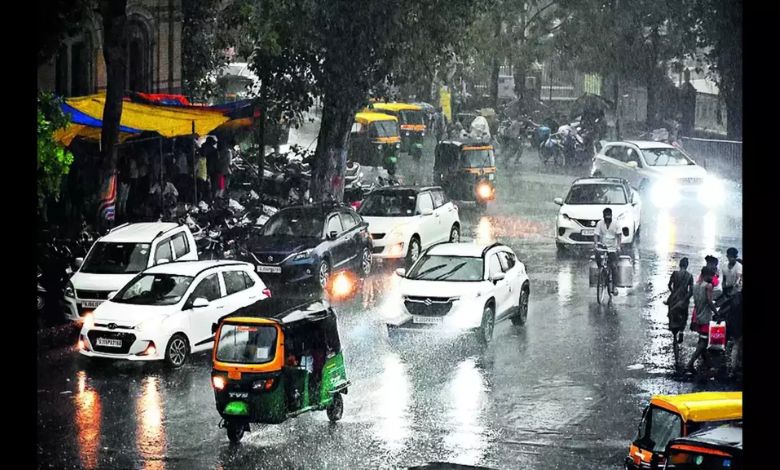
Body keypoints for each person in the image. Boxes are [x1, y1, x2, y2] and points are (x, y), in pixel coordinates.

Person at [685, 266, 719, 374]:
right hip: (705, 317)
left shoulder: (695, 286)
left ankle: (709, 364)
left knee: (701, 340)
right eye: (712, 275)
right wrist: (717, 313)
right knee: (703, 343)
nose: (713, 278)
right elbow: (709, 301)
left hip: (697, 316)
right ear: (706, 275)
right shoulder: (708, 286)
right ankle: (689, 363)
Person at [721, 247, 743, 376]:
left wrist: (732, 292)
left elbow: (738, 283)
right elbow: (723, 282)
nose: (731, 258)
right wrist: (726, 292)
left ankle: (733, 366)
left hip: (735, 295)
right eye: (729, 256)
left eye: (732, 256)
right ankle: (732, 366)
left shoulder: (739, 267)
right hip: (729, 295)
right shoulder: (724, 267)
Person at [593, 207, 622, 296]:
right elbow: (596, 235)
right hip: (603, 246)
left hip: (613, 247)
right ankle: (601, 273)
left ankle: (614, 286)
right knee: (597, 256)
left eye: (609, 216)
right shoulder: (600, 224)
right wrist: (596, 244)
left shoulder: (616, 223)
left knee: (613, 266)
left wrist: (618, 246)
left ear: (611, 216)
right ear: (604, 216)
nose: (607, 219)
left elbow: (619, 235)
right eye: (606, 217)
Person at [665, 257, 694, 344]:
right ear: (687, 266)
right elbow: (691, 291)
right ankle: (681, 332)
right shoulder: (689, 276)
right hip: (684, 299)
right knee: (684, 316)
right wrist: (686, 299)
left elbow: (669, 285)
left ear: (679, 265)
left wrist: (673, 292)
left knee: (672, 315)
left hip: (674, 299)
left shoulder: (675, 273)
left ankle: (674, 336)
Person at [202, 136, 219, 201]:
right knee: (213, 184)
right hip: (212, 169)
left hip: (205, 169)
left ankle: (206, 196)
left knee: (204, 183)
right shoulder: (214, 151)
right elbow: (217, 161)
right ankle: (212, 197)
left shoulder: (203, 148)